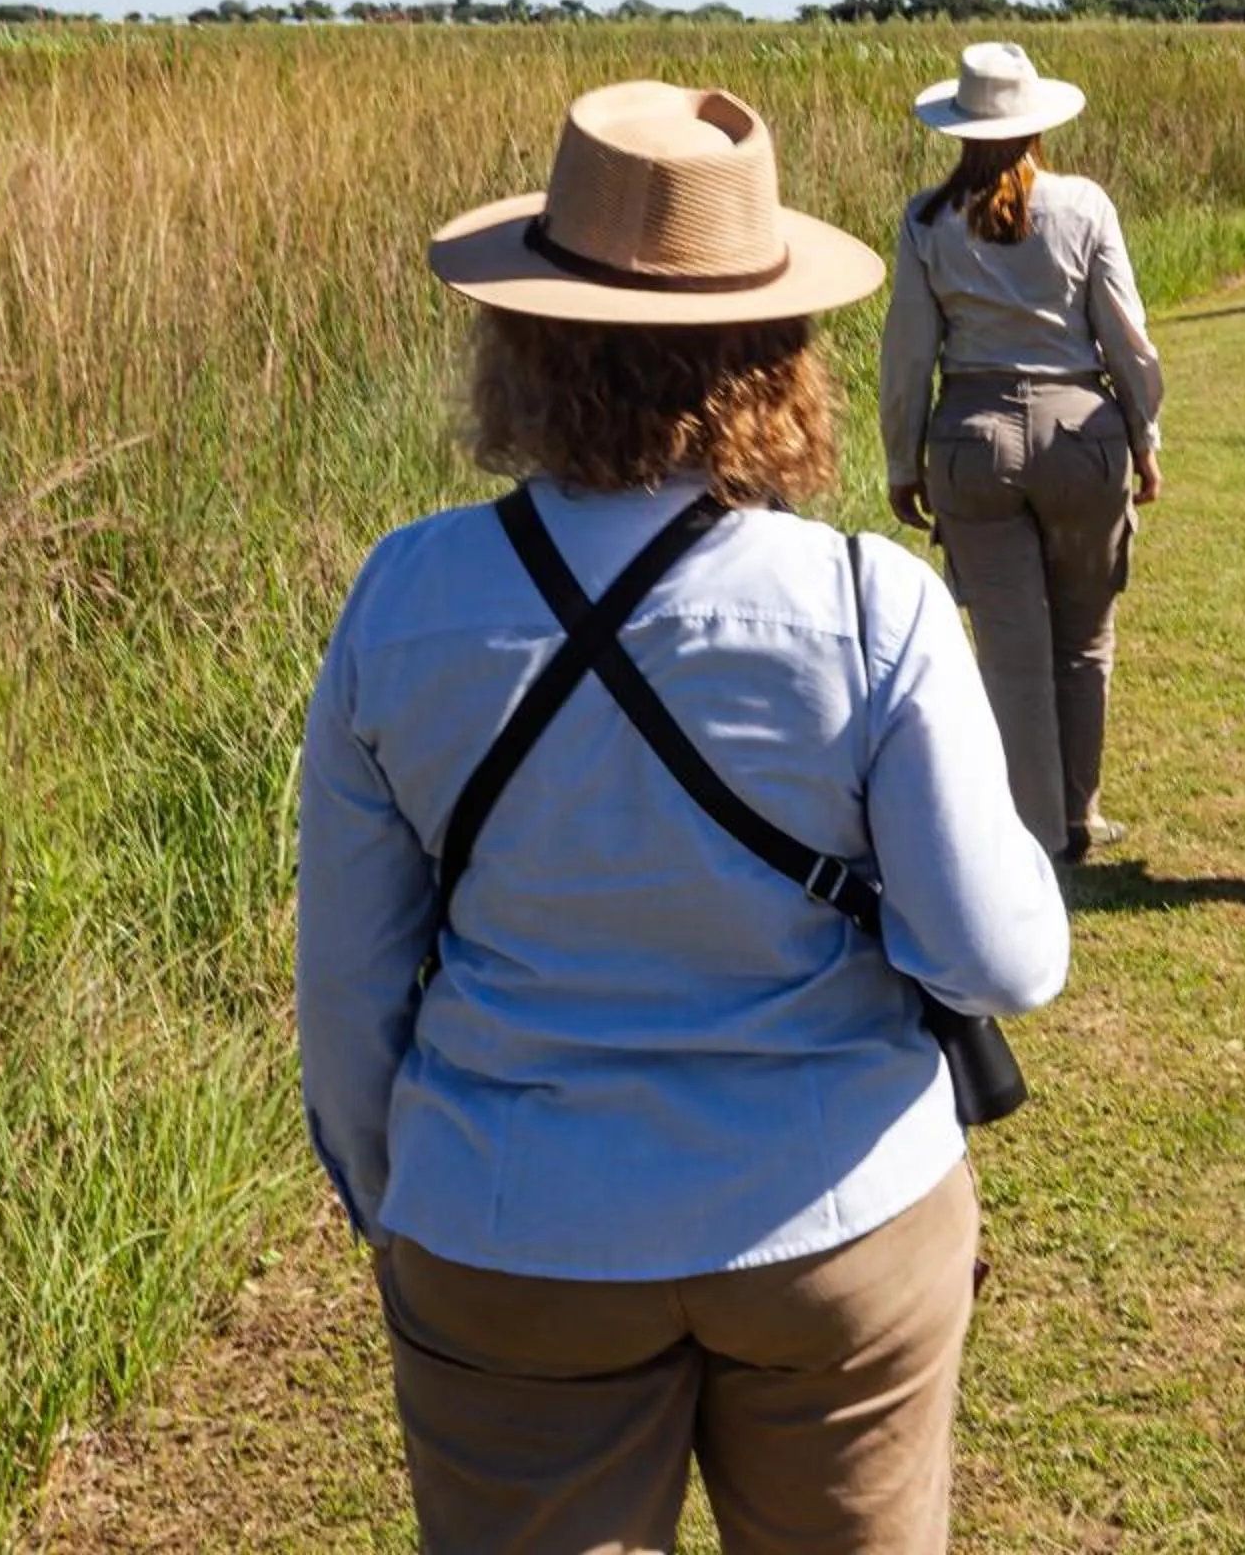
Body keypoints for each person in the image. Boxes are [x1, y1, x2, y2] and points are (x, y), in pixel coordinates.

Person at [298, 81, 1068, 1555]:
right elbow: (1003, 961)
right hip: (837, 1219)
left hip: (509, 1225)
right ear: (777, 347)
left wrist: (406, 1193)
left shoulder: (404, 597)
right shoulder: (865, 602)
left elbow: (345, 985)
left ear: (520, 336)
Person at [881, 42, 1164, 864]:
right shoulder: (1085, 207)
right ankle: (1078, 816)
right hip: (1083, 435)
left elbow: (907, 354)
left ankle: (1030, 831)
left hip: (973, 440)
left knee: (1009, 651)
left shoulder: (926, 219)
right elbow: (1128, 338)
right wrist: (1145, 436)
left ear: (960, 130)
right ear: (1039, 126)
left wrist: (904, 459)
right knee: (1085, 637)